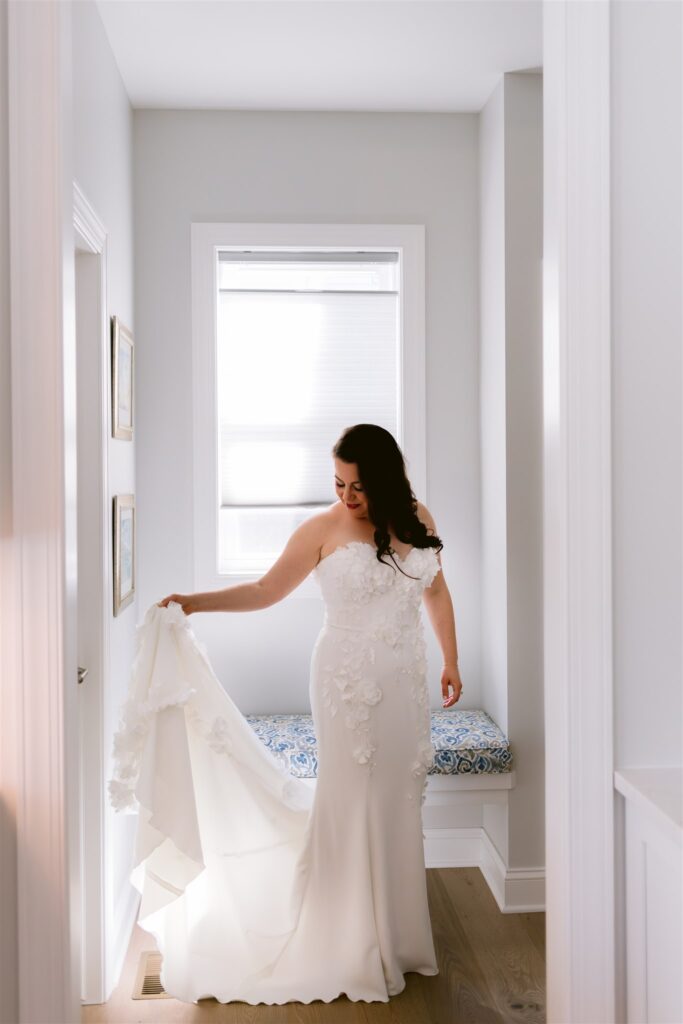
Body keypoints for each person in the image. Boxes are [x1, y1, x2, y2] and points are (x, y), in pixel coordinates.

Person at [111, 423, 463, 1005]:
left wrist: (451, 658)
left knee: (399, 799)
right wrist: (196, 602)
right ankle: (346, 938)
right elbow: (266, 589)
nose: (346, 497)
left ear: (386, 480)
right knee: (350, 799)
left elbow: (436, 590)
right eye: (338, 484)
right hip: (344, 686)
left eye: (357, 486)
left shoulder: (419, 518)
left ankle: (396, 938)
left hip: (406, 684)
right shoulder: (322, 528)